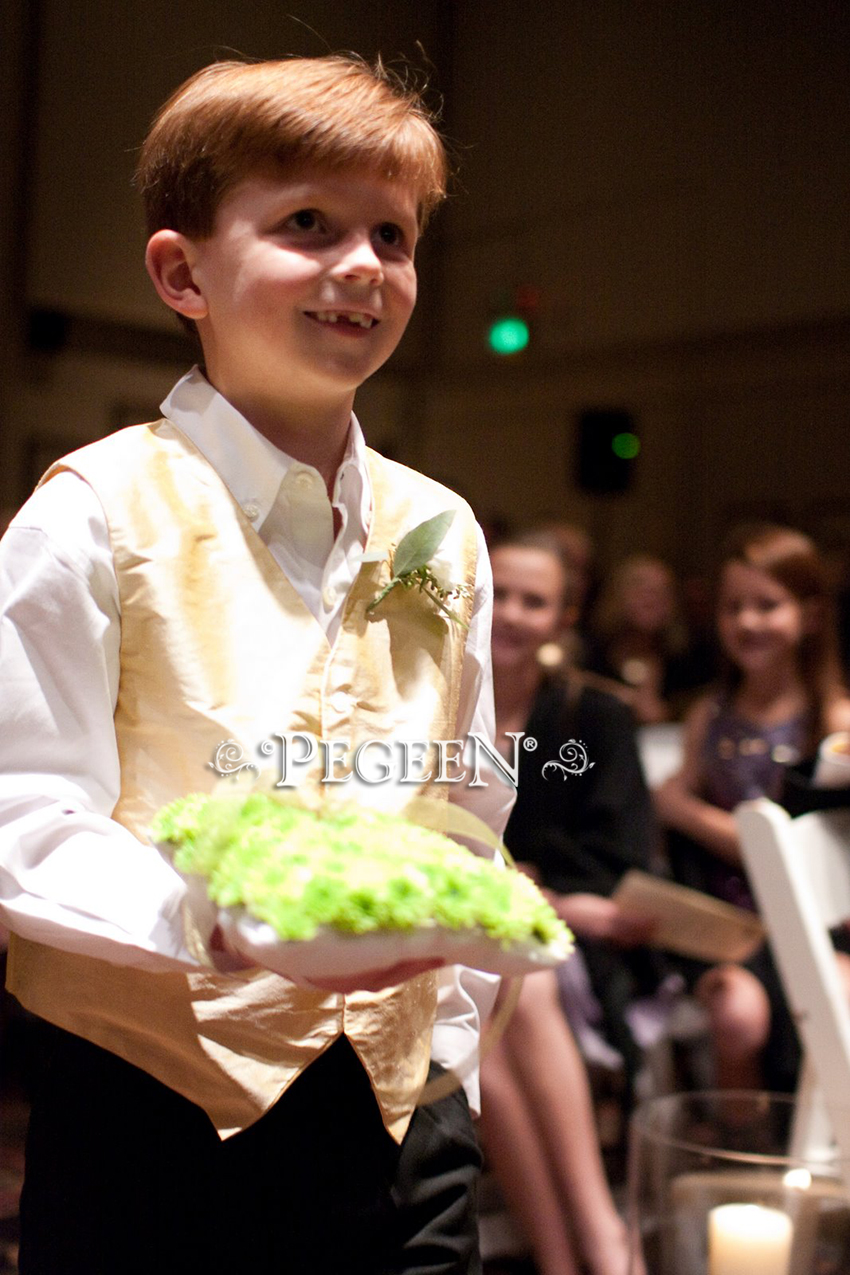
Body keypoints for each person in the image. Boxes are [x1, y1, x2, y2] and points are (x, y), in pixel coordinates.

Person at [0, 57, 514, 1274]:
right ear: (183, 272)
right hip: (156, 1112)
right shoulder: (91, 512)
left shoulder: (441, 523)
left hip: (403, 1116)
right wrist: (212, 921)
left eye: (392, 233)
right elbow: (20, 807)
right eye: (307, 224)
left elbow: (465, 789)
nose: (363, 265)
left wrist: (452, 1040)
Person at [478, 531, 663, 1275]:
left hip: (581, 941)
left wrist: (539, 888)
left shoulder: (597, 716)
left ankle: (601, 1240)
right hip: (478, 937)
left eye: (536, 600)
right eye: (502, 593)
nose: (514, 614)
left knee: (520, 978)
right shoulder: (436, 701)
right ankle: (569, 1256)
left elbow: (621, 857)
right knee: (479, 1018)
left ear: (563, 616)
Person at [654, 523, 850, 1090]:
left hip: (819, 921)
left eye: (768, 605)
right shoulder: (708, 718)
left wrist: (683, 810)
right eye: (732, 607)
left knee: (834, 995)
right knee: (738, 1014)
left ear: (810, 616)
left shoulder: (833, 722)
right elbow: (673, 814)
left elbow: (784, 848)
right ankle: (742, 1148)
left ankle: (811, 1152)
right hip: (727, 927)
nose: (747, 623)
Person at [586, 554, 712, 724]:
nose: (652, 597)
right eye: (640, 586)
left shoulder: (689, 663)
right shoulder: (590, 656)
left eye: (662, 590)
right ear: (617, 594)